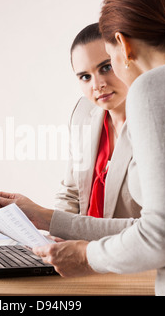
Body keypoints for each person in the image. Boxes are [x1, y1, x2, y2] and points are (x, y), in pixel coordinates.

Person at [0, 0, 165, 296]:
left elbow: (164, 237)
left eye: (108, 62)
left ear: (122, 45)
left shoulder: (154, 85)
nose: (100, 82)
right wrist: (48, 218)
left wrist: (86, 257)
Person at [56, 23, 142, 220]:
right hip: (78, 245)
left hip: (125, 248)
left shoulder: (156, 121)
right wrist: (55, 237)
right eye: (85, 77)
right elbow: (71, 193)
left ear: (127, 59)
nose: (97, 85)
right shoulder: (83, 112)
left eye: (106, 67)